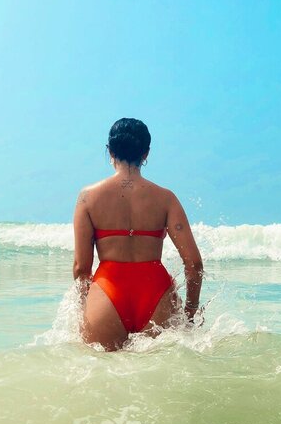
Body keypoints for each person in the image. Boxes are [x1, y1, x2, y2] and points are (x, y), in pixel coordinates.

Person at [73, 118, 203, 351]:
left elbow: (81, 269)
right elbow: (194, 264)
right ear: (146, 153)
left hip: (106, 295)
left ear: (110, 151)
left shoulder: (88, 198)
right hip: (156, 293)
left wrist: (85, 309)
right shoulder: (166, 198)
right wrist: (190, 313)